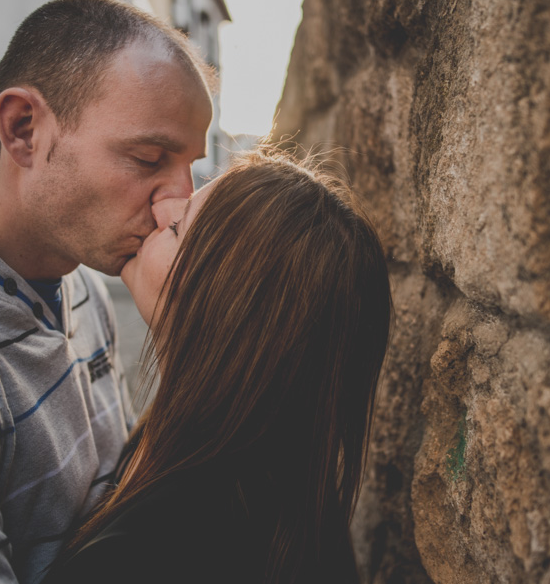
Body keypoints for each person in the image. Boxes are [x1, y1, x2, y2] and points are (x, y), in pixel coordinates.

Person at [0, 0, 212, 584]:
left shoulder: (84, 285)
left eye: (190, 167)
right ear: (23, 130)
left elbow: (114, 506)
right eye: (148, 158)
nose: (177, 202)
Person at [41, 150, 393, 583]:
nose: (160, 207)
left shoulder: (141, 556)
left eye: (176, 227)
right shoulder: (299, 503)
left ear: (223, 308)